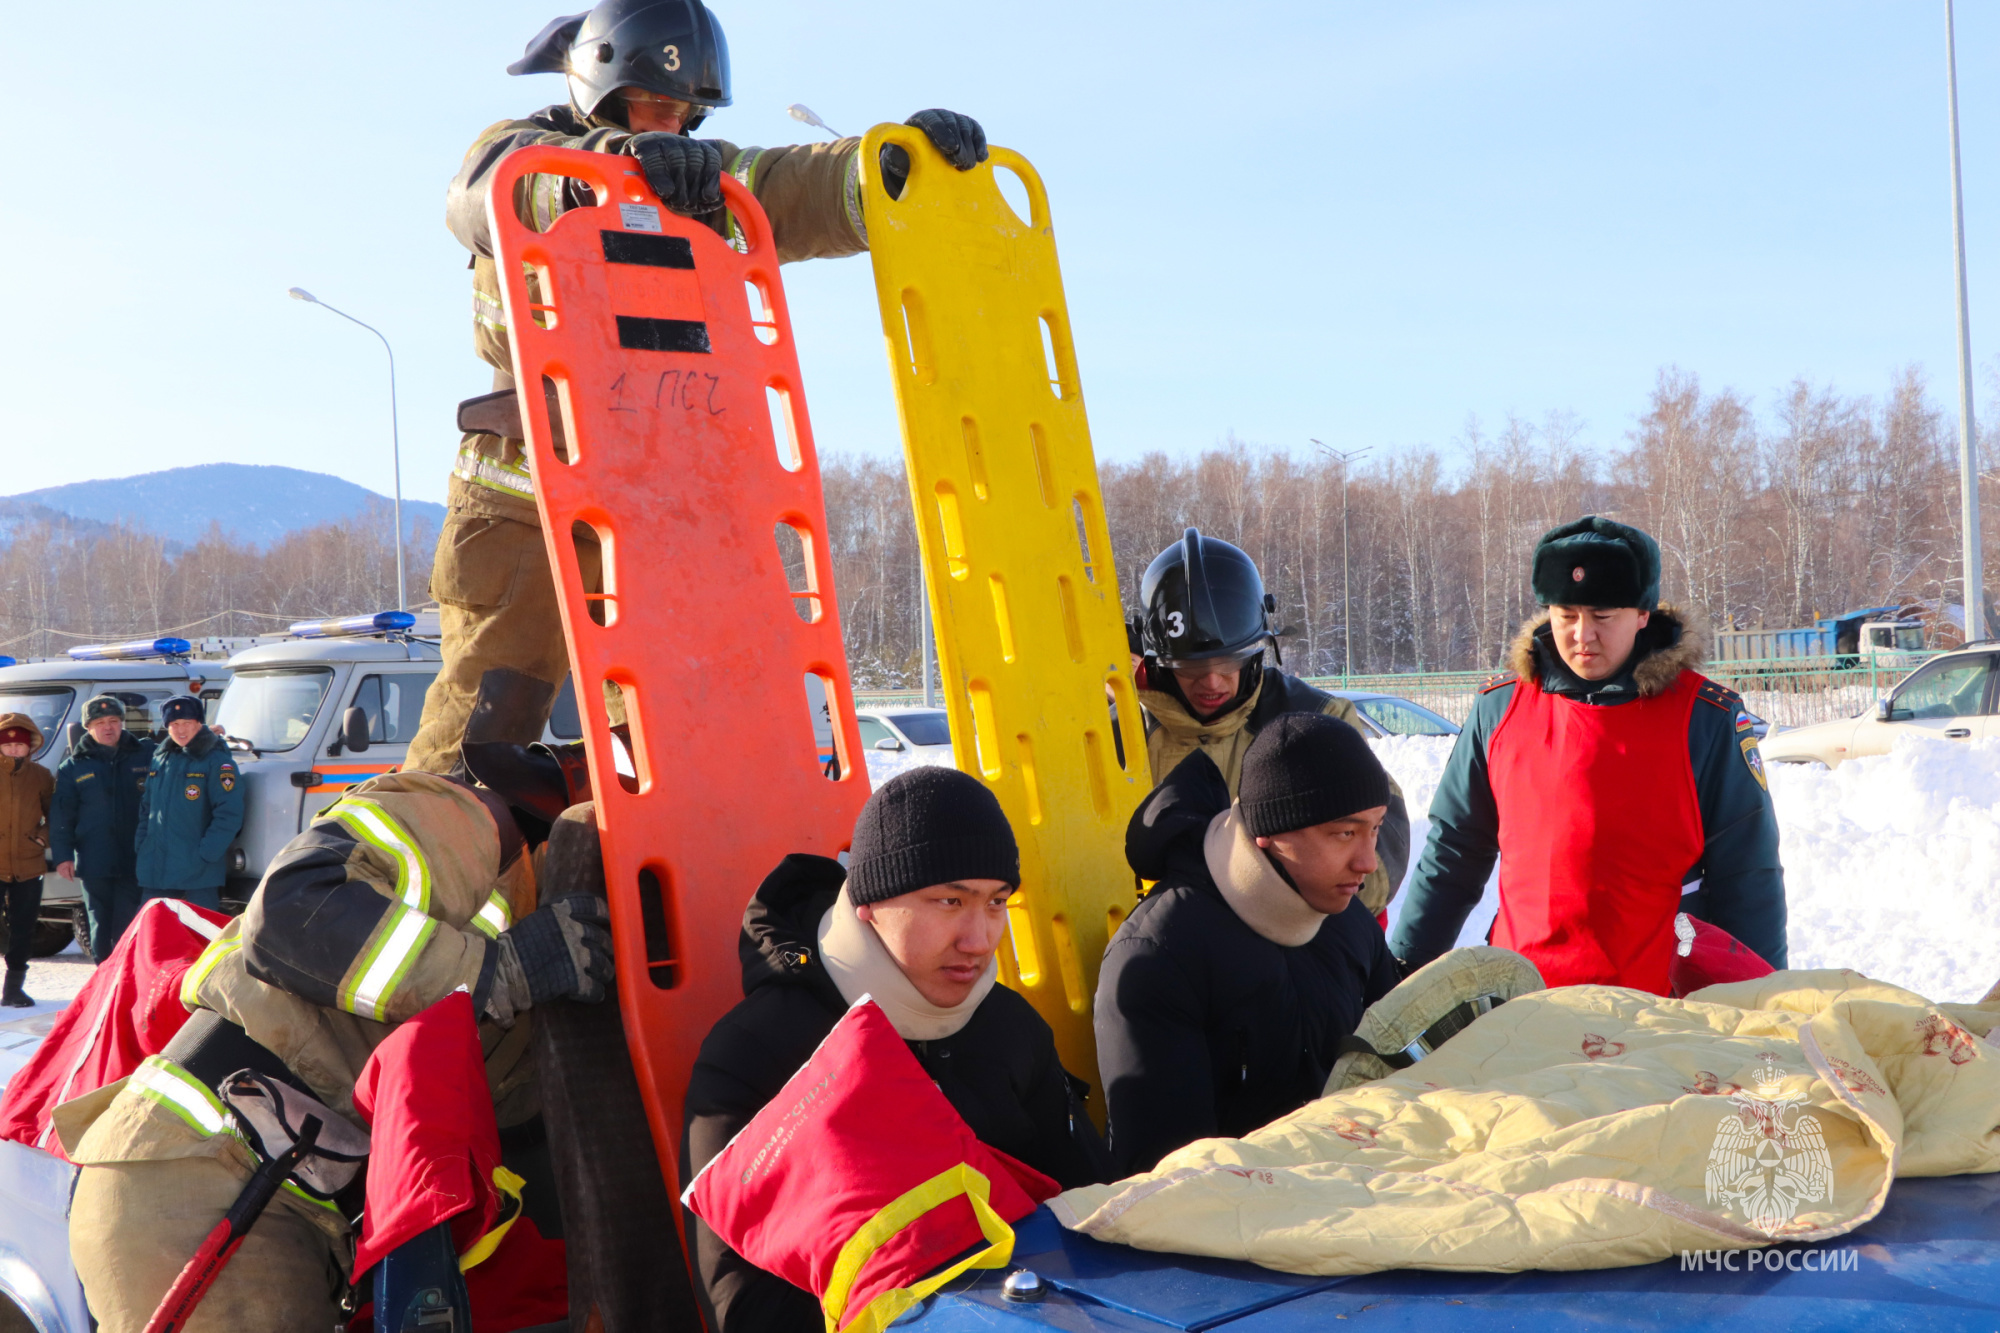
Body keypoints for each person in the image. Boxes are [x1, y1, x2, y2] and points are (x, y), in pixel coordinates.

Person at [404, 0, 992, 774]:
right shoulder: (517, 154)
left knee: (672, 744)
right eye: (651, 104)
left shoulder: (692, 179)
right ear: (599, 92)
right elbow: (487, 194)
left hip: (649, 503)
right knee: (475, 743)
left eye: (684, 112)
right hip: (525, 506)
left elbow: (787, 186)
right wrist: (609, 169)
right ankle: (374, 886)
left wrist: (890, 169)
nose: (668, 124)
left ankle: (643, 886)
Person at [61, 758, 613, 1332]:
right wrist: (497, 971)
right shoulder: (474, 823)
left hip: (276, 1193)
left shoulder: (549, 922)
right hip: (206, 1186)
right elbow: (293, 910)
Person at [684, 767, 1106, 1333]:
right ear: (871, 904)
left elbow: (1092, 1210)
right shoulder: (757, 1052)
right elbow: (741, 1306)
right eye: (950, 902)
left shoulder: (1010, 1026)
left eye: (996, 903)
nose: (978, 940)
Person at [1388, 516, 1787, 993]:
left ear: (1643, 614)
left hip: (1659, 1012)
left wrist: (1766, 1003)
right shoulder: (1499, 711)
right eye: (1566, 615)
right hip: (1524, 1005)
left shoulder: (1704, 719)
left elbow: (1748, 875)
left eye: (1603, 617)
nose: (1583, 635)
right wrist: (1403, 974)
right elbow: (1454, 853)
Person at [1095, 713, 1401, 1176]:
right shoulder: (1159, 953)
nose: (1368, 861)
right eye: (1344, 833)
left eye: (1375, 829)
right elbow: (1165, 1170)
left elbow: (1402, 1076)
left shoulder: (1348, 919)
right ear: (1273, 835)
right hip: (1235, 1221)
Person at [1130, 527, 1411, 915]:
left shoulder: (1319, 720)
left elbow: (1378, 861)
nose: (1212, 681)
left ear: (1259, 650)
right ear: (1157, 662)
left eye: (1230, 661)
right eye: (1190, 667)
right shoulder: (1119, 735)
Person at [50, 695, 153, 962]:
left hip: (135, 857)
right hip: (94, 859)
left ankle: (125, 984)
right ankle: (103, 980)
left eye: (114, 720)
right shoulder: (73, 767)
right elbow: (62, 815)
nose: (108, 727)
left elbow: (180, 753)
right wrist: (63, 856)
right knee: (99, 926)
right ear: (88, 727)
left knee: (128, 926)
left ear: (122, 722)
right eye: (99, 722)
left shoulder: (146, 754)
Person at [132, 696, 243, 913]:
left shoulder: (218, 761)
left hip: (198, 873)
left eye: (187, 723)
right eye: (174, 724)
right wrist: (142, 843)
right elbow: (147, 807)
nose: (180, 730)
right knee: (154, 935)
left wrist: (207, 854)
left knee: (199, 936)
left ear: (199, 724)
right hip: (157, 868)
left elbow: (229, 813)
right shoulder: (161, 759)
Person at [1, 714, 55, 1007]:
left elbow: (54, 814)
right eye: (8, 745)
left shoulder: (41, 776)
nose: (13, 749)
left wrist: (42, 837)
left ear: (30, 746)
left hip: (28, 863)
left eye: (20, 745)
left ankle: (13, 989)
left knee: (24, 927)